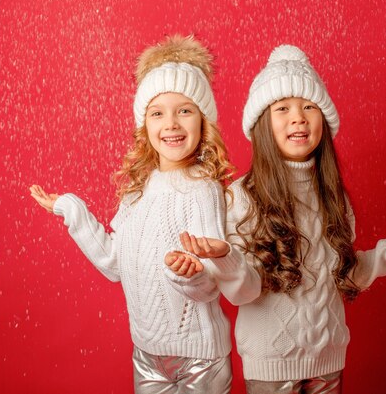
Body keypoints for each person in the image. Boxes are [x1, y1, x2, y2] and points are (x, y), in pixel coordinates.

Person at [171, 44, 386, 394]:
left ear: (324, 122)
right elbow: (243, 292)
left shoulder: (334, 198)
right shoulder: (241, 197)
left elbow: (345, 275)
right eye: (283, 108)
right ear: (262, 125)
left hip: (329, 361)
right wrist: (224, 257)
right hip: (270, 364)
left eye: (309, 107)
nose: (298, 117)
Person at [29, 35, 256, 394]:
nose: (171, 124)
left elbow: (212, 284)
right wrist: (70, 208)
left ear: (203, 120)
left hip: (199, 359)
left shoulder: (203, 189)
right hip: (146, 354)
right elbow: (113, 263)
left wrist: (191, 275)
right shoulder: (137, 192)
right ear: (144, 125)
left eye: (184, 110)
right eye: (157, 113)